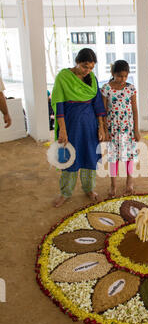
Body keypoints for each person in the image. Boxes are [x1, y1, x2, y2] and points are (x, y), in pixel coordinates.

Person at [51, 48, 106, 208]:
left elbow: (97, 104)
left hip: (89, 125)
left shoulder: (92, 78)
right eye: (84, 67)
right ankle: (65, 193)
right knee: (69, 157)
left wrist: (101, 127)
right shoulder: (64, 76)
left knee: (89, 156)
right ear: (77, 62)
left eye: (90, 68)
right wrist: (62, 129)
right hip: (71, 124)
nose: (87, 71)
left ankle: (89, 189)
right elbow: (59, 104)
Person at [101, 60, 140, 198]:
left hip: (128, 129)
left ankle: (130, 182)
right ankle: (113, 185)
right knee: (113, 157)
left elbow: (135, 110)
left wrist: (136, 129)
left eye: (125, 76)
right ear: (113, 74)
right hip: (113, 129)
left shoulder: (131, 88)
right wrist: (105, 130)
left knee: (129, 156)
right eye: (119, 76)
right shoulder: (106, 88)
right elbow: (104, 111)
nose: (122, 79)